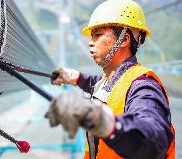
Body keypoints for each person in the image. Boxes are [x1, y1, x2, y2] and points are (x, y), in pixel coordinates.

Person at [45, 0, 175, 158]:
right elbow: (102, 88)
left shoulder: (143, 85)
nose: (91, 43)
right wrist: (75, 77)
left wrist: (105, 122)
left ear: (124, 40)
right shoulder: (110, 81)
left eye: (98, 35)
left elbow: (154, 139)